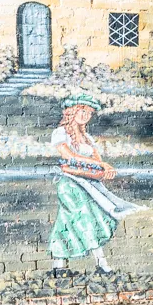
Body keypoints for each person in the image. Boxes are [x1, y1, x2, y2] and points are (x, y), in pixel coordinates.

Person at [48, 93, 145, 276]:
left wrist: (104, 171)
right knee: (82, 220)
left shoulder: (87, 138)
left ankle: (60, 265)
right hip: (70, 184)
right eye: (82, 110)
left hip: (88, 182)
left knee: (80, 221)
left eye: (89, 113)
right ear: (72, 111)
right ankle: (99, 264)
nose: (85, 115)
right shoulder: (60, 133)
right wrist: (101, 165)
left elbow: (96, 159)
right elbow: (70, 157)